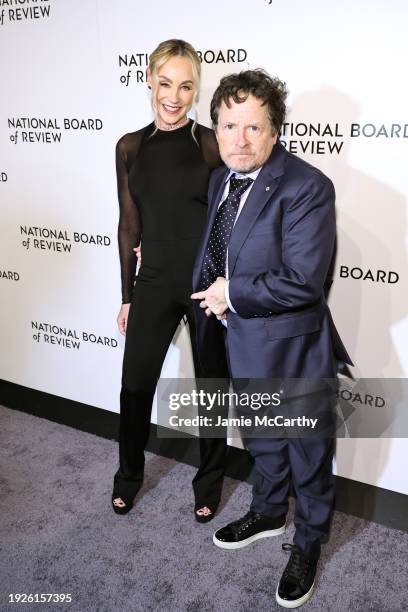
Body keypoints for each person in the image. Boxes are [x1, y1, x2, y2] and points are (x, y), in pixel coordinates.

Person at [191, 70, 352, 608]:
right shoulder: (221, 178)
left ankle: (307, 543)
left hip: (294, 345)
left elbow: (303, 281)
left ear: (275, 130)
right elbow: (222, 247)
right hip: (238, 338)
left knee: (307, 451)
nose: (239, 139)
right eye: (228, 125)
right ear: (215, 128)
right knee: (261, 436)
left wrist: (231, 293)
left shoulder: (307, 186)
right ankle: (266, 510)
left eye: (253, 127)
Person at [112, 39, 229, 521]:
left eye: (185, 86)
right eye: (165, 83)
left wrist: (225, 282)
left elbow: (228, 218)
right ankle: (127, 477)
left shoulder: (207, 144)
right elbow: (128, 224)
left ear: (196, 89)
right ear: (149, 80)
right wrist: (127, 296)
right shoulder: (130, 147)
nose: (174, 96)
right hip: (154, 280)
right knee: (135, 386)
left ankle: (209, 483)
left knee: (211, 388)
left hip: (205, 286)